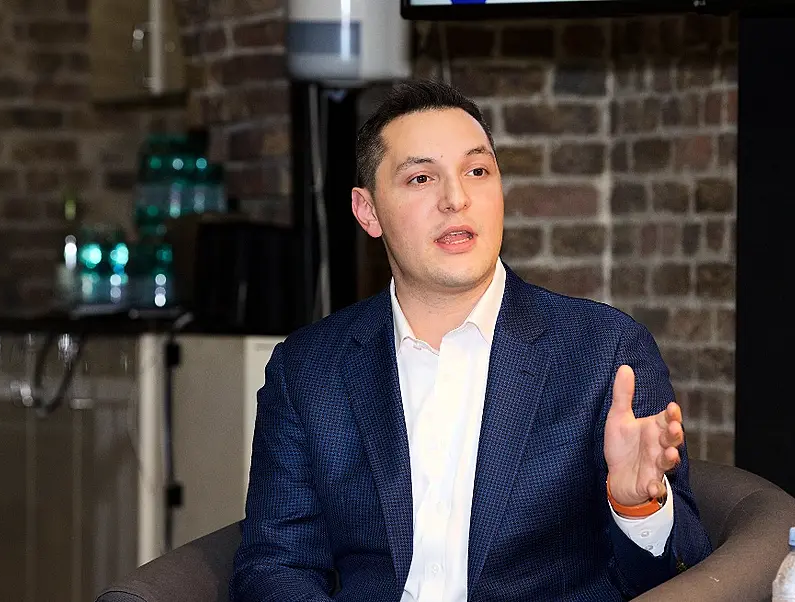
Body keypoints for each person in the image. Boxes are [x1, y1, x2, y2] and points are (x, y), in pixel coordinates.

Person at [230, 79, 712, 602]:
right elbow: (275, 567)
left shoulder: (605, 354)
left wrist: (637, 508)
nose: (456, 199)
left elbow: (688, 575)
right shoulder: (308, 370)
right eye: (420, 178)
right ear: (367, 211)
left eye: (477, 172)